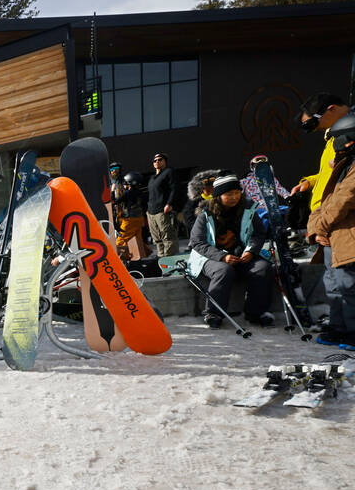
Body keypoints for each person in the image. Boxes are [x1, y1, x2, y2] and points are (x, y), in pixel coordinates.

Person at [188, 173, 274, 328]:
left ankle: (255, 312)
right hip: (211, 258)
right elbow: (197, 242)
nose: (234, 197)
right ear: (218, 196)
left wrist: (251, 251)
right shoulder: (205, 213)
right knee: (224, 270)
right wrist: (221, 257)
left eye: (236, 193)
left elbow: (259, 233)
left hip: (241, 255)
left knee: (262, 268)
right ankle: (213, 313)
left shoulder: (248, 208)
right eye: (229, 194)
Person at [307, 114, 355, 346]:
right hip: (330, 238)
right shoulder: (342, 166)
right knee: (334, 286)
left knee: (349, 287)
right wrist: (316, 231)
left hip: (348, 237)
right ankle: (338, 328)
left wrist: (321, 227)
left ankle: (352, 331)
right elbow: (325, 200)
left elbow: (343, 201)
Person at [292, 93, 351, 213]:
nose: (314, 129)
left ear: (331, 109)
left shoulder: (348, 137)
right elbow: (330, 174)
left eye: (312, 123)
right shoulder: (332, 138)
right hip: (325, 219)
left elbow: (349, 187)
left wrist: (322, 223)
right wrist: (310, 183)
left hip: (337, 220)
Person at [147, 152, 182, 257]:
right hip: (151, 212)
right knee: (157, 239)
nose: (157, 161)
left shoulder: (169, 172)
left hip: (163, 210)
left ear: (165, 161)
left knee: (168, 237)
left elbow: (175, 188)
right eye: (155, 160)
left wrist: (169, 203)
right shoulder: (152, 178)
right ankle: (162, 261)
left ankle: (171, 262)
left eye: (160, 159)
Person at [114, 171, 151, 259]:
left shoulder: (127, 193)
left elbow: (115, 202)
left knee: (121, 239)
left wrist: (112, 193)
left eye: (126, 183)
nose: (124, 185)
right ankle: (140, 256)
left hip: (129, 220)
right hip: (139, 218)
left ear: (129, 183)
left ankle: (118, 258)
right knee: (137, 238)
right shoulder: (142, 193)